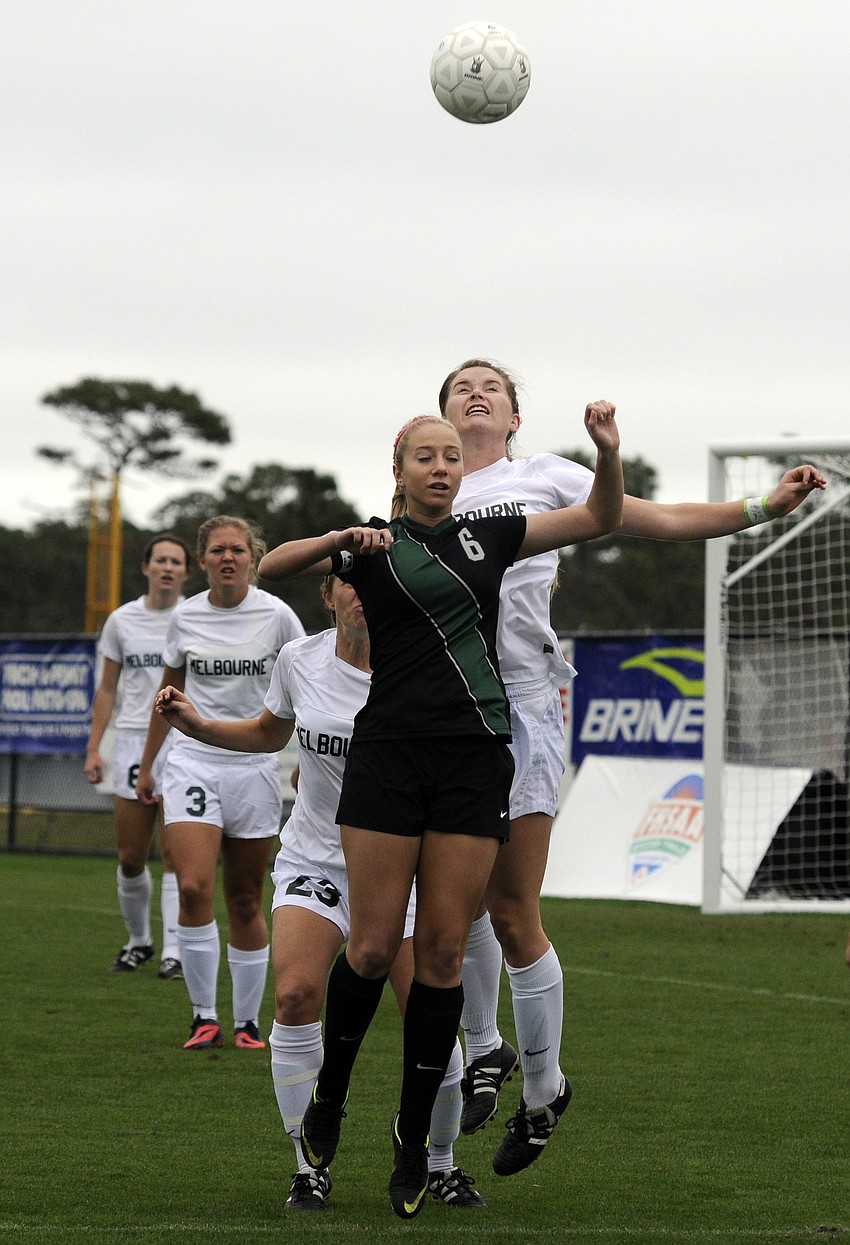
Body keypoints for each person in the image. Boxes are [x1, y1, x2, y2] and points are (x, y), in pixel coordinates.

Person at [437, 357, 829, 1176]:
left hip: (523, 709)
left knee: (510, 909)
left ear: (513, 418)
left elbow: (658, 519)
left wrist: (765, 505)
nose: (476, 393)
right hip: (441, 716)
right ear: (436, 422)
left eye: (492, 388)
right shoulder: (422, 494)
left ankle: (544, 1089)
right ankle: (485, 1047)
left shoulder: (543, 475)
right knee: (448, 900)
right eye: (459, 388)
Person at [255, 405, 623, 1218]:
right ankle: (327, 1102)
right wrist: (340, 540)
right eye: (425, 456)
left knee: (447, 955)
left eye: (451, 457)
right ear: (399, 466)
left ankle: (413, 1139)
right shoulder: (370, 548)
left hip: (473, 755)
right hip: (388, 756)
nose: (441, 467)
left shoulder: (490, 536)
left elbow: (600, 515)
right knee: (376, 944)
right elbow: (271, 564)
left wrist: (607, 452)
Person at [153, 573, 486, 1212]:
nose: (363, 593)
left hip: (404, 866)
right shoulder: (299, 658)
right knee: (297, 993)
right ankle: (308, 1167)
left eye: (376, 584)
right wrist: (196, 725)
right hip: (317, 858)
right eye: (348, 583)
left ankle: (439, 1163)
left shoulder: (425, 660)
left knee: (427, 1011)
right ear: (328, 596)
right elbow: (268, 733)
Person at [136, 515, 305, 1050]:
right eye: (217, 551)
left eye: (237, 550)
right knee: (192, 887)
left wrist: (308, 758)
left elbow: (307, 687)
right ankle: (203, 1016)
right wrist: (147, 763)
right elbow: (167, 697)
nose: (227, 558)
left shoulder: (278, 617)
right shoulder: (185, 618)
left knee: (246, 899)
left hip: (253, 765)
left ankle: (247, 1023)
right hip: (191, 760)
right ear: (203, 559)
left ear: (253, 559)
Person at [84, 533, 192, 977]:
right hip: (130, 741)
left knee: (174, 856)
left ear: (187, 571)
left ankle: (174, 952)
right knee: (131, 856)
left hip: (182, 743)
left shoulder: (194, 616)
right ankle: (138, 941)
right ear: (145, 568)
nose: (167, 568)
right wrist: (94, 747)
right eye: (160, 560)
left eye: (176, 562)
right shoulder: (121, 621)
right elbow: (108, 688)